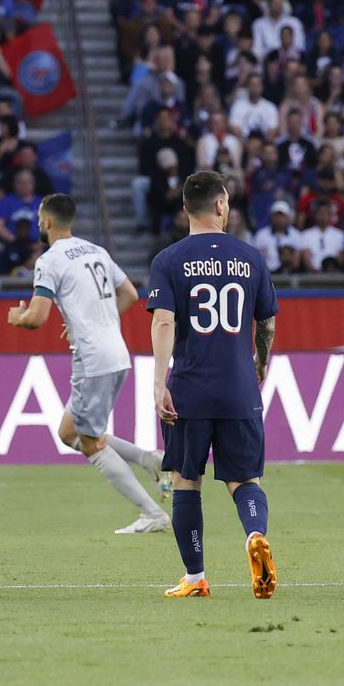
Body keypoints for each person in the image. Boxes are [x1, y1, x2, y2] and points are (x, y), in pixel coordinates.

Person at [146, 170, 279, 599]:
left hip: (190, 390)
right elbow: (267, 321)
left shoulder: (167, 260)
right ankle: (255, 535)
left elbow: (164, 320)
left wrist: (157, 382)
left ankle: (196, 577)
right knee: (245, 481)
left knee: (187, 480)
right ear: (221, 206)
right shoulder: (251, 258)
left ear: (186, 208)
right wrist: (260, 362)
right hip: (240, 388)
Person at [7, 193, 172, 534]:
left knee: (90, 443)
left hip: (95, 360)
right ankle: (148, 459)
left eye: (40, 219)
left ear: (47, 221)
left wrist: (18, 317)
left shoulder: (50, 260)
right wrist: (95, 319)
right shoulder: (96, 250)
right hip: (112, 354)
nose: (39, 224)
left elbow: (37, 318)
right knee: (70, 432)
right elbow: (129, 294)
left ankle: (152, 514)